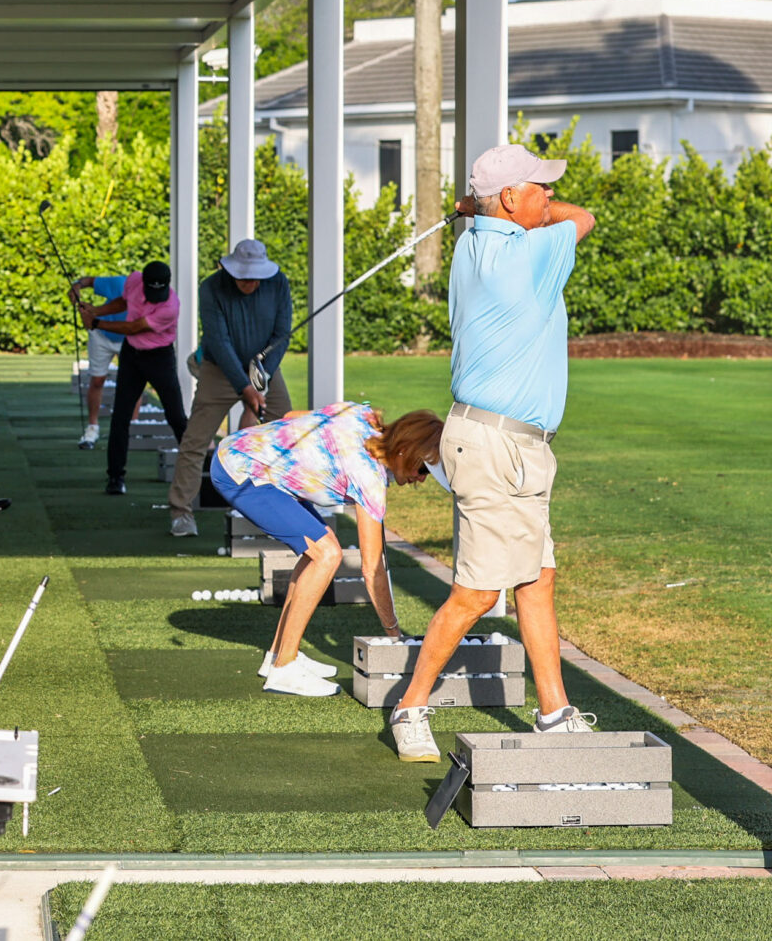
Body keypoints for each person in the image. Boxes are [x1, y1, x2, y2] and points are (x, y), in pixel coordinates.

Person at [389, 142, 597, 762]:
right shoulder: (529, 254)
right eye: (541, 188)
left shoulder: (470, 244)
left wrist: (474, 209)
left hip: (506, 441)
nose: (552, 198)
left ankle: (555, 712)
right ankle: (410, 707)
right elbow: (583, 218)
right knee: (479, 593)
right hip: (496, 444)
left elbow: (535, 212)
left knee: (536, 579)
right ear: (510, 198)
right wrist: (477, 205)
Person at [208, 404, 447, 695]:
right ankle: (284, 668)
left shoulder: (363, 414)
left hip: (244, 455)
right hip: (239, 470)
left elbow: (292, 418)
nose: (422, 478)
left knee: (318, 548)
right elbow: (373, 570)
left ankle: (277, 656)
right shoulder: (369, 478)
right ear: (403, 451)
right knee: (327, 554)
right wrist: (395, 637)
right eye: (423, 468)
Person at [170, 238, 291, 541]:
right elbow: (219, 340)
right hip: (218, 369)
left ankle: (284, 508)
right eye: (243, 277)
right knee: (196, 440)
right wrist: (244, 386)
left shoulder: (278, 284)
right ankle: (180, 512)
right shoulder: (211, 287)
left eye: (255, 278)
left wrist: (260, 376)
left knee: (287, 431)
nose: (249, 283)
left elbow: (282, 334)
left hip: (263, 369)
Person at [74, 262, 182, 496]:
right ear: (142, 282)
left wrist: (95, 323)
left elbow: (134, 327)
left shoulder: (170, 306)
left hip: (159, 358)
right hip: (132, 356)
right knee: (120, 416)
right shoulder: (133, 281)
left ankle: (201, 469)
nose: (154, 298)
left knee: (175, 415)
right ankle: (115, 477)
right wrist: (96, 310)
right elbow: (124, 302)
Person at [68, 273, 128, 447]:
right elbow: (89, 281)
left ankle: (133, 427)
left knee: (133, 382)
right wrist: (77, 285)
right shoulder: (118, 283)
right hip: (101, 335)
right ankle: (92, 428)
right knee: (97, 379)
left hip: (129, 337)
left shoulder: (151, 296)